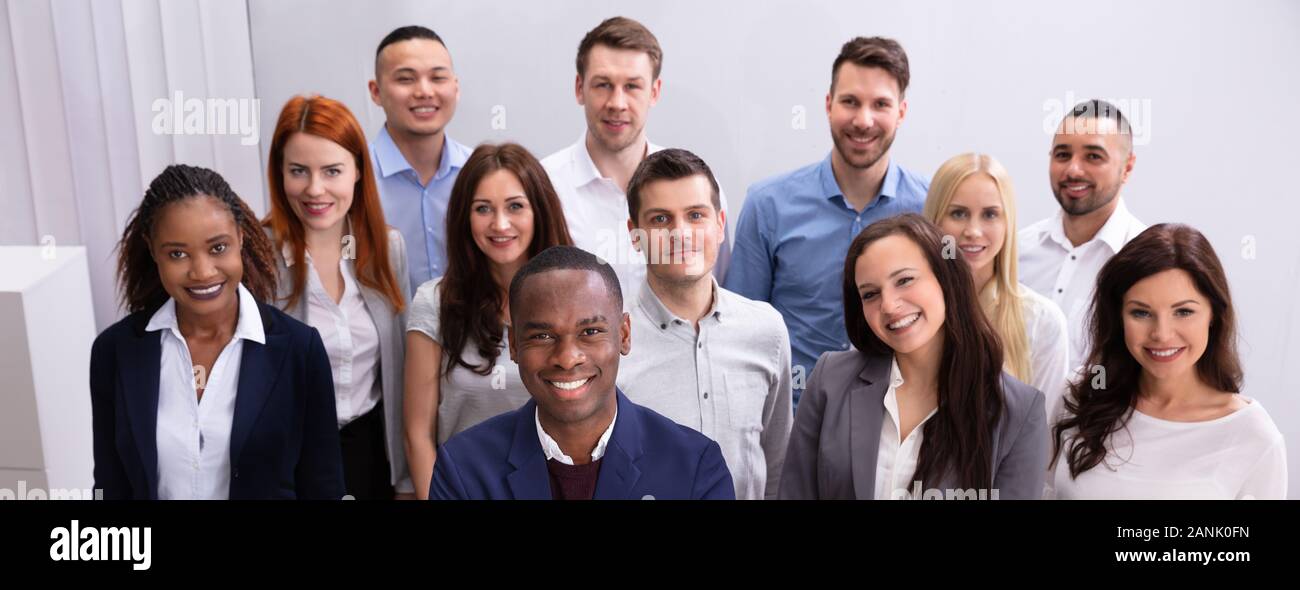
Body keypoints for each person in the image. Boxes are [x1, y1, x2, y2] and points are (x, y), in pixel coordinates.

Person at [91, 164, 344, 500]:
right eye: (177, 254)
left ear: (240, 237)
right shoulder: (115, 352)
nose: (202, 272)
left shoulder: (300, 349)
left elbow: (323, 487)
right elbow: (111, 487)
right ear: (153, 250)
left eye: (218, 248)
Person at [430, 246, 734, 500]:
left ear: (624, 335)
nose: (566, 358)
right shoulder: (463, 468)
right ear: (513, 346)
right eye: (542, 336)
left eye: (590, 331)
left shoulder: (695, 466)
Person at [780, 214, 1047, 500]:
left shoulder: (1019, 412)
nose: (889, 305)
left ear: (945, 278)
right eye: (870, 294)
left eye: (905, 280)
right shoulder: (829, 380)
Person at [726, 36, 928, 407]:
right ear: (828, 105)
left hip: (900, 425)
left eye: (880, 104)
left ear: (901, 112)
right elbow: (738, 333)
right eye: (850, 101)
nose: (863, 120)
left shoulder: (930, 209)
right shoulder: (768, 205)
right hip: (790, 424)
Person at [1048, 224, 1287, 499]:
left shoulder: (1253, 436)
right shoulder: (1080, 393)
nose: (1161, 334)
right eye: (1141, 313)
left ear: (1214, 315)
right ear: (1119, 317)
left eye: (1183, 311)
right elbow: (1041, 490)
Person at [617, 148, 792, 500]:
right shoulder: (611, 342)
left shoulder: (767, 330)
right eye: (661, 219)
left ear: (720, 224)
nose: (680, 234)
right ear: (635, 235)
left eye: (695, 215)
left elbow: (777, 463)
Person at [404, 142, 574, 499]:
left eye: (515, 206)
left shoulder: (576, 298)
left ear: (539, 212)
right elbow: (418, 434)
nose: (500, 224)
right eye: (483, 209)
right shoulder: (433, 302)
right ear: (465, 218)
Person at [263, 95, 413, 500]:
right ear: (280, 174)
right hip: (291, 461)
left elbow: (401, 372)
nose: (315, 189)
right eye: (298, 171)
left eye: (332, 171)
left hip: (370, 453)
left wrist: (406, 480)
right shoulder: (258, 255)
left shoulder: (388, 248)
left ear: (358, 171)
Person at [541, 16, 731, 306]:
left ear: (654, 92)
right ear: (580, 88)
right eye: (603, 84)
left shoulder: (698, 186)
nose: (617, 103)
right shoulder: (543, 187)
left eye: (632, 86)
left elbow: (716, 291)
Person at [922, 152, 1070, 420]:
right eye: (958, 213)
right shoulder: (905, 308)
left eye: (990, 214)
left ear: (1007, 224)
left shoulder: (1042, 321)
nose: (974, 231)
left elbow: (1042, 436)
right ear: (935, 220)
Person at [1018, 99, 1146, 375]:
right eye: (1063, 155)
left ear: (1127, 167)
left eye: (1093, 156)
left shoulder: (1147, 262)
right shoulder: (1016, 252)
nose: (1074, 170)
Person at [368, 25, 473, 292]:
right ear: (376, 92)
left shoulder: (478, 174)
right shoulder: (353, 179)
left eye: (437, 78)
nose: (424, 91)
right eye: (405, 79)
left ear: (456, 87)